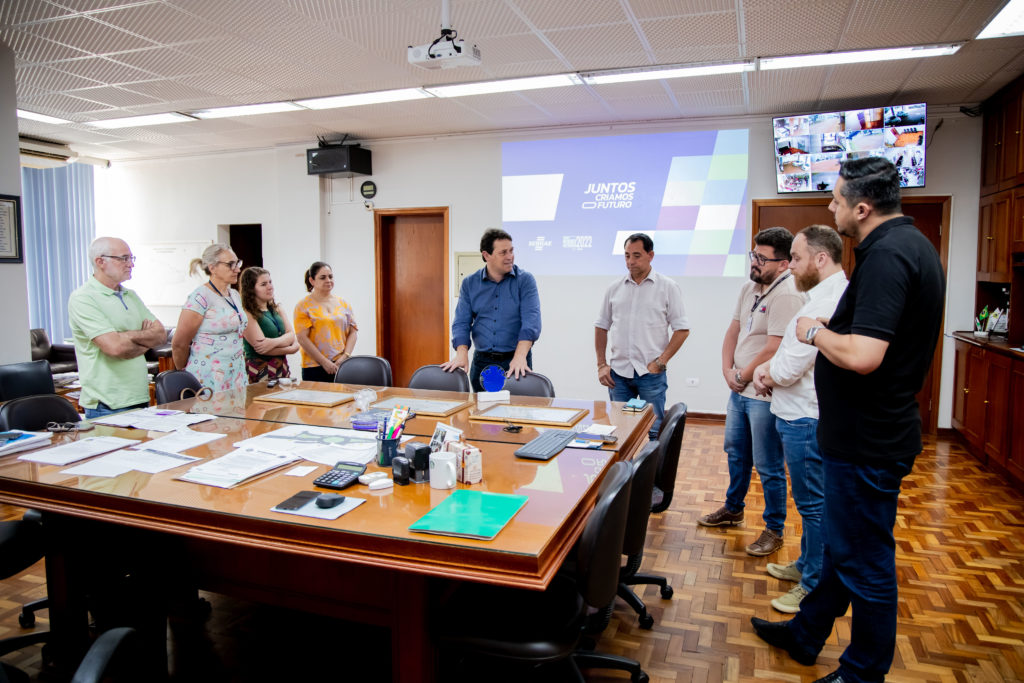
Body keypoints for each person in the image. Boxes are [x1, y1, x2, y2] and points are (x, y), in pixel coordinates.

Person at [751, 157, 945, 683]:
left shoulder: (887, 257)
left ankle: (862, 673)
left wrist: (812, 331)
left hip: (867, 441)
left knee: (868, 566)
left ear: (862, 207)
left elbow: (863, 355)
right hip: (866, 434)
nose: (831, 208)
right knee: (842, 548)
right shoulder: (909, 246)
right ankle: (808, 633)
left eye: (836, 200)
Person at [751, 226, 848, 614]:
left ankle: (812, 585)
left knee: (813, 507)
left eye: (796, 257)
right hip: (797, 414)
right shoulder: (820, 295)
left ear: (820, 259)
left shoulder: (824, 302)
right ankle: (807, 565)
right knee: (810, 503)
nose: (790, 265)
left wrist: (763, 374)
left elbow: (792, 365)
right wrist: (770, 372)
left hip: (805, 418)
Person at [697, 227, 804, 558]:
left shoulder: (787, 295)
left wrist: (742, 374)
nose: (754, 262)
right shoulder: (749, 288)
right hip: (740, 388)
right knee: (736, 452)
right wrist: (727, 369)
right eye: (753, 255)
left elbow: (774, 347)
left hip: (762, 393)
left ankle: (774, 529)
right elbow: (733, 330)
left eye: (762, 258)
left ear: (784, 263)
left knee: (768, 464)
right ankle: (733, 508)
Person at [594, 233, 690, 439]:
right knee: (619, 432)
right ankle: (623, 472)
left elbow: (682, 329)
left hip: (650, 374)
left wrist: (661, 362)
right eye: (627, 256)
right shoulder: (614, 288)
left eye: (636, 256)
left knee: (654, 432)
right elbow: (601, 327)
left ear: (651, 255)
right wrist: (601, 364)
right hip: (618, 375)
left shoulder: (668, 287)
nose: (630, 262)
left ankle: (653, 472)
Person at [68, 237, 166, 419]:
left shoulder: (131, 295)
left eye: (131, 258)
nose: (130, 264)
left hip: (139, 396)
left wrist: (125, 336)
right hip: (107, 402)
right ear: (100, 262)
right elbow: (114, 347)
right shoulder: (83, 298)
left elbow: (160, 335)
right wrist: (144, 338)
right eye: (123, 258)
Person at [441, 229, 541, 392]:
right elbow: (461, 323)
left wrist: (520, 356)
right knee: (482, 413)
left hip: (516, 361)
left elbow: (531, 322)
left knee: (516, 413)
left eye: (511, 251)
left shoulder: (525, 281)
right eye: (503, 252)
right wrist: (461, 353)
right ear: (486, 255)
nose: (510, 256)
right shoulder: (469, 284)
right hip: (483, 363)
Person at [172, 243, 248, 393]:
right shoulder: (200, 297)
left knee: (238, 415)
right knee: (212, 416)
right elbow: (179, 343)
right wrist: (184, 373)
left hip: (235, 374)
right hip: (208, 375)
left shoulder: (234, 295)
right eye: (230, 264)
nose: (237, 269)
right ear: (212, 267)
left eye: (237, 263)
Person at [294, 261, 357, 382]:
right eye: (322, 277)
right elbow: (302, 338)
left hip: (341, 364)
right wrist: (325, 362)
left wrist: (345, 356)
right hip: (314, 366)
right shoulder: (303, 305)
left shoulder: (343, 302)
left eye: (330, 276)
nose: (328, 280)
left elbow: (353, 332)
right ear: (312, 280)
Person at [239, 267, 299, 383]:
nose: (270, 287)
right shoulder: (246, 313)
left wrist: (272, 343)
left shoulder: (277, 308)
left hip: (282, 368)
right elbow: (262, 349)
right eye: (263, 284)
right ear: (251, 289)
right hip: (259, 369)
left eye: (270, 282)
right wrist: (291, 348)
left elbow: (292, 335)